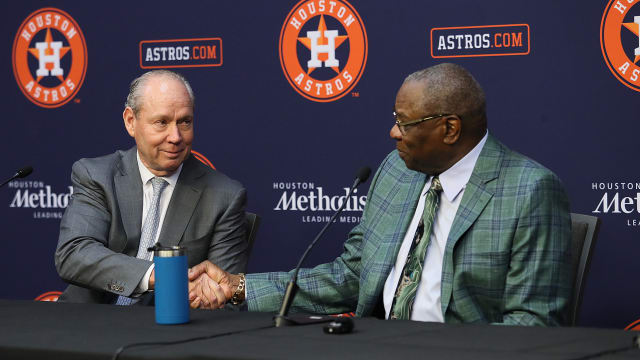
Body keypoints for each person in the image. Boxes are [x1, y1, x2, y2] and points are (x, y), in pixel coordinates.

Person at [188, 63, 572, 325]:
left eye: (404, 123)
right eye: (395, 120)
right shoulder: (396, 172)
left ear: (450, 129)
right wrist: (237, 287)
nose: (393, 133)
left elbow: (531, 324)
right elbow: (352, 274)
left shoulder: (529, 191)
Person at [55, 70, 248, 305]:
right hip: (84, 326)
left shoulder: (224, 196)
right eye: (162, 122)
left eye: (184, 122)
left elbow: (221, 293)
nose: (176, 136)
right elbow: (74, 254)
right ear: (130, 122)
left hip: (168, 333)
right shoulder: (96, 175)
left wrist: (207, 296)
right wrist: (162, 276)